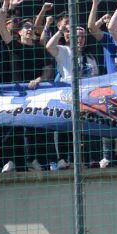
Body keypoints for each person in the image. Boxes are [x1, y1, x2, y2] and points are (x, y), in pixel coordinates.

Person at [0, 0, 54, 173]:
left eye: (31, 27)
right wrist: (5, 2)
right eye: (25, 27)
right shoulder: (13, 45)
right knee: (13, 129)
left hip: (35, 94)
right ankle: (11, 161)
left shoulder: (39, 49)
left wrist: (40, 79)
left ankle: (32, 160)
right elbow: (2, 28)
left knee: (32, 129)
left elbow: (49, 69)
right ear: (18, 32)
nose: (28, 29)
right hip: (15, 94)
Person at [45, 24, 100, 168]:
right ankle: (65, 159)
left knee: (87, 128)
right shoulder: (64, 51)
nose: (80, 39)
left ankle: (89, 159)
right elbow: (49, 46)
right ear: (70, 37)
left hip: (88, 97)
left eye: (83, 36)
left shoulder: (90, 57)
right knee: (66, 128)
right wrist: (60, 32)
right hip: (68, 96)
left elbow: (96, 75)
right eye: (77, 36)